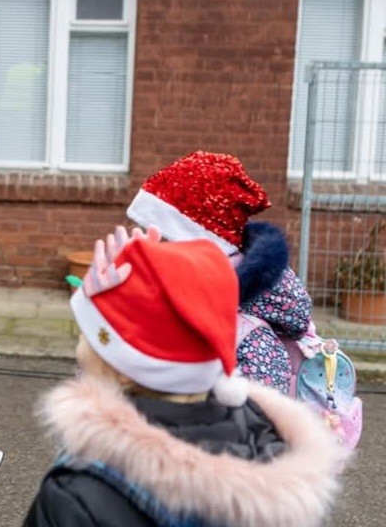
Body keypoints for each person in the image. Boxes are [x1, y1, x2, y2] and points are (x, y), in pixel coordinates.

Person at [23, 227, 349, 527]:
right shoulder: (270, 448)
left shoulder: (74, 496)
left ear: (120, 369)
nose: (80, 344)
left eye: (88, 334)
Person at [125, 150, 312, 392]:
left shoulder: (248, 338)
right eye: (137, 228)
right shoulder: (167, 296)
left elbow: (261, 418)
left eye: (154, 234)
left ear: (192, 244)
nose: (137, 241)